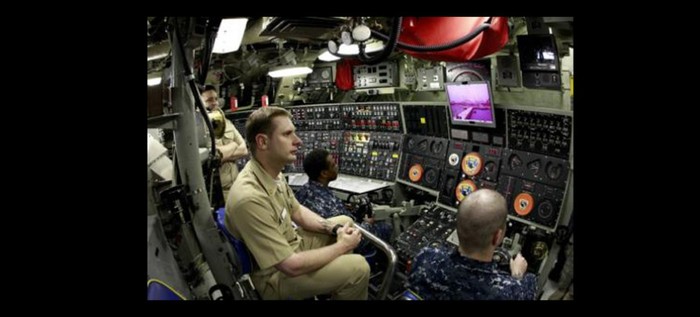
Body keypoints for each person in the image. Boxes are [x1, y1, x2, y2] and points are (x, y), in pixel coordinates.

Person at [225, 106, 370, 300]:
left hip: (291, 245)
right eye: (287, 134)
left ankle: (334, 286)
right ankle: (342, 280)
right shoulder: (249, 198)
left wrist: (335, 230)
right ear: (263, 142)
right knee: (358, 268)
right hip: (273, 278)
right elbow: (290, 265)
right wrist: (341, 246)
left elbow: (298, 212)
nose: (298, 141)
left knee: (345, 222)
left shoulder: (272, 173)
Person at [407, 189, 537, 300]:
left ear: (456, 227)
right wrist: (517, 274)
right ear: (497, 237)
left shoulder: (425, 258)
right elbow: (527, 287)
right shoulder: (514, 292)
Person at [294, 149, 393, 250]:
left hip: (312, 241)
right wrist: (367, 223)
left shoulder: (303, 191)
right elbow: (353, 235)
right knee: (386, 227)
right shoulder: (331, 204)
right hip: (335, 243)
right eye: (333, 165)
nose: (337, 166)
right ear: (324, 173)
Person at [200, 85, 248, 200]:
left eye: (216, 99)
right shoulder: (199, 128)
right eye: (209, 100)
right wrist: (233, 145)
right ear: (199, 104)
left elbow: (244, 149)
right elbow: (214, 156)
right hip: (217, 192)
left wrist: (224, 154)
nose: (215, 103)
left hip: (236, 187)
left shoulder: (227, 123)